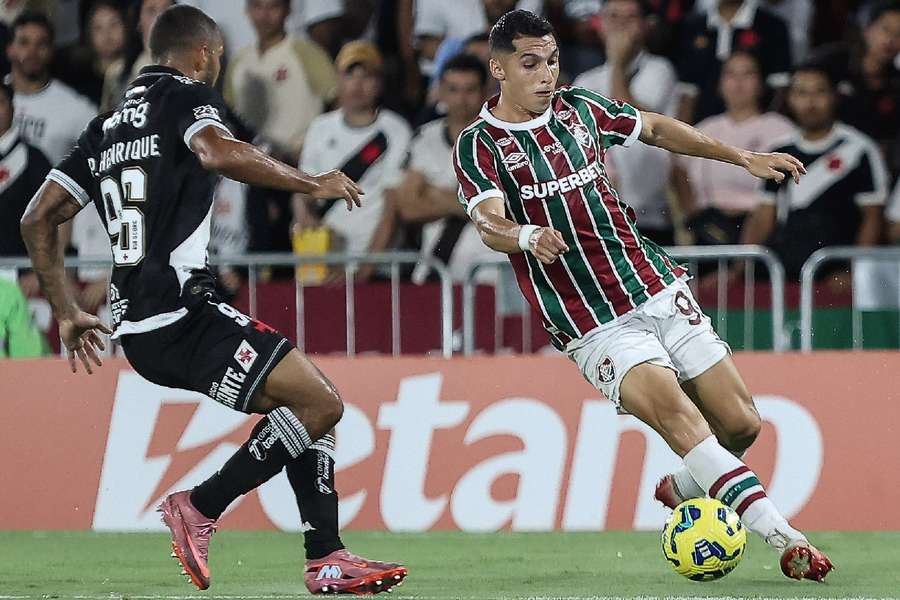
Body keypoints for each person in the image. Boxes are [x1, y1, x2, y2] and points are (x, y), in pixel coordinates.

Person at [19, 5, 406, 595]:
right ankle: (199, 507)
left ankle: (327, 556)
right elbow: (217, 152)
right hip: (180, 312)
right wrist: (312, 180)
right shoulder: (186, 97)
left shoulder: (104, 128)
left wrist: (67, 308)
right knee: (321, 405)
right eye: (219, 56)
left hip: (142, 323)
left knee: (303, 403)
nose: (219, 66)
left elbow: (37, 217)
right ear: (202, 55)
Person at [453, 9, 833, 580]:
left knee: (741, 425)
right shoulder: (480, 145)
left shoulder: (579, 109)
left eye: (553, 61)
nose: (546, 74)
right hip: (592, 321)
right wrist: (527, 234)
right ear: (500, 69)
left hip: (652, 285)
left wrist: (742, 157)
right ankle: (786, 537)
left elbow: (654, 127)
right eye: (530, 64)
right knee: (686, 421)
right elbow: (487, 222)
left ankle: (683, 485)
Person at [740, 65, 888, 281]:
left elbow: (873, 218)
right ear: (790, 99)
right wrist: (739, 269)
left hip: (838, 272)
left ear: (834, 96)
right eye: (802, 93)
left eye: (819, 92)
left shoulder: (859, 149)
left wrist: (855, 272)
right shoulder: (779, 151)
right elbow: (763, 216)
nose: (810, 102)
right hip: (786, 270)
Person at [293, 41, 411, 276]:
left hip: (377, 266)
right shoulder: (320, 127)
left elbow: (392, 207)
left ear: (379, 83)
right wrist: (305, 221)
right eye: (350, 75)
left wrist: (365, 270)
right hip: (325, 259)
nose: (357, 85)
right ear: (338, 79)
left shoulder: (396, 130)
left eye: (366, 76)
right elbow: (302, 188)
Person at [384, 53, 497, 284]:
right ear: (442, 92)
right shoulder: (425, 138)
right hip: (436, 271)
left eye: (470, 90)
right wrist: (470, 204)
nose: (461, 99)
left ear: (485, 92)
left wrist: (434, 195)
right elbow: (408, 207)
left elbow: (506, 210)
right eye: (454, 89)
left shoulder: (507, 139)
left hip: (492, 269)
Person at [575, 0, 679, 245]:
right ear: (599, 25)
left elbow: (634, 119)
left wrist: (618, 63)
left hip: (650, 216)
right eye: (613, 17)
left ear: (645, 26)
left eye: (629, 17)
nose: (620, 25)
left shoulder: (659, 70)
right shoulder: (585, 81)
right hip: (599, 216)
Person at [675, 51, 794, 245]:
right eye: (731, 74)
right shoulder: (705, 128)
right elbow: (677, 168)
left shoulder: (781, 128)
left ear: (761, 83)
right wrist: (691, 211)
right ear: (720, 84)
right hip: (708, 227)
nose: (739, 82)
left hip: (761, 228)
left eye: (748, 74)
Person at [224, 0, 337, 165]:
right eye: (257, 7)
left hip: (298, 164)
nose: (264, 15)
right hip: (250, 166)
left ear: (287, 10)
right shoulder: (239, 60)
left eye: (273, 7)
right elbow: (229, 113)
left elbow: (337, 101)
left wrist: (318, 147)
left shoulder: (306, 53)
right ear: (247, 10)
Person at [806, 1, 900, 168]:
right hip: (816, 153)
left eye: (899, 34)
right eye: (885, 29)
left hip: (869, 164)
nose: (891, 40)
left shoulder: (895, 84)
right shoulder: (832, 61)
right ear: (867, 29)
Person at [676, 0, 793, 123]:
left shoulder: (772, 26)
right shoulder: (693, 26)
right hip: (704, 127)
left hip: (756, 129)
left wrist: (767, 128)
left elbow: (780, 89)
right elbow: (687, 91)